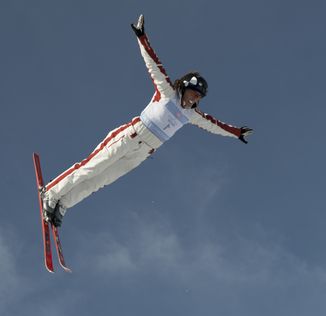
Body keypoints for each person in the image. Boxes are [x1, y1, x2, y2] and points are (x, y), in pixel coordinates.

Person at [41, 14, 253, 227]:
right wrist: (142, 38)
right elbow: (154, 65)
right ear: (185, 87)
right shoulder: (167, 92)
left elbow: (215, 126)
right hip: (133, 135)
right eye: (194, 94)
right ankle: (51, 192)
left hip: (144, 152)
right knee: (92, 167)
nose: (196, 99)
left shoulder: (193, 115)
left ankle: (64, 203)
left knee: (102, 180)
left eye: (199, 97)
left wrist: (237, 133)